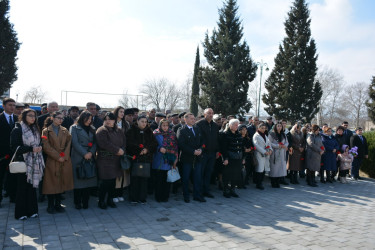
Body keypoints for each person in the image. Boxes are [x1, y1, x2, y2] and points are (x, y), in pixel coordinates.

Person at [10, 109, 44, 219]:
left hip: (35, 161)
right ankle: (20, 213)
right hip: (24, 161)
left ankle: (32, 210)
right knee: (22, 187)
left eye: (34, 116)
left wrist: (39, 147)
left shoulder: (35, 128)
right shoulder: (18, 129)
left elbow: (38, 142)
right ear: (24, 116)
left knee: (32, 187)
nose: (33, 118)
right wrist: (31, 149)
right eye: (30, 115)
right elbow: (15, 147)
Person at [42, 111, 74, 214]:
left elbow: (69, 143)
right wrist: (57, 156)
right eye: (58, 118)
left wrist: (64, 156)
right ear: (52, 118)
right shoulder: (46, 131)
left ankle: (58, 204)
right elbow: (46, 146)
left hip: (64, 159)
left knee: (61, 181)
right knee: (51, 183)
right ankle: (50, 205)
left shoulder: (65, 130)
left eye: (62, 118)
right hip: (52, 159)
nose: (60, 120)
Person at [96, 112, 125, 209]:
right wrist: (117, 150)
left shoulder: (119, 130)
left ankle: (110, 200)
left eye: (110, 119)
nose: (108, 121)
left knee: (113, 182)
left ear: (114, 120)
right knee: (105, 182)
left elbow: (124, 142)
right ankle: (101, 201)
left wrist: (122, 150)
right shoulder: (101, 130)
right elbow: (104, 144)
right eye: (106, 119)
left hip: (116, 160)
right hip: (105, 160)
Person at [126, 115, 157, 204]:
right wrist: (139, 150)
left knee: (144, 178)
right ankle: (133, 197)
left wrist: (147, 149)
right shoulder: (131, 131)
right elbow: (128, 143)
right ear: (137, 121)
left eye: (145, 122)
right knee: (135, 178)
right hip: (135, 158)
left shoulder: (149, 131)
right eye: (142, 121)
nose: (144, 123)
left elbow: (154, 144)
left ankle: (142, 197)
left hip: (146, 159)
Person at [69, 111, 97, 209]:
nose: (89, 121)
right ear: (82, 118)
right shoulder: (74, 127)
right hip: (78, 155)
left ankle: (86, 201)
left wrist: (91, 152)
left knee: (88, 179)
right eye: (87, 119)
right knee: (78, 180)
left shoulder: (93, 128)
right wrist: (84, 153)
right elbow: (75, 142)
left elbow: (95, 143)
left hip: (90, 155)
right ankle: (77, 202)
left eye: (91, 119)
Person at [177, 113, 205, 203]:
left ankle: (197, 195)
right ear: (186, 120)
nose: (194, 120)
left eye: (194, 118)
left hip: (198, 158)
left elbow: (202, 141)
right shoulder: (181, 130)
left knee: (197, 177)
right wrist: (193, 151)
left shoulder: (197, 129)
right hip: (187, 158)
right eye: (191, 119)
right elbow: (181, 144)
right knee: (185, 178)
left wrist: (201, 149)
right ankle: (186, 195)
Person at [196, 108, 219, 198]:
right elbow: (198, 139)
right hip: (203, 153)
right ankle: (199, 191)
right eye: (209, 113)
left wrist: (217, 151)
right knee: (201, 172)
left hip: (212, 153)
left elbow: (217, 139)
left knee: (209, 172)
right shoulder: (199, 124)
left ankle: (206, 190)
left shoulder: (215, 125)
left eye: (212, 113)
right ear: (204, 114)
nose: (211, 115)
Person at [152, 119, 178, 202]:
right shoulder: (155, 134)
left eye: (167, 125)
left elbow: (175, 147)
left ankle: (165, 196)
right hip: (159, 159)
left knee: (167, 180)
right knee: (159, 179)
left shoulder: (172, 134)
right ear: (160, 125)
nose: (165, 127)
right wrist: (159, 148)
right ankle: (158, 197)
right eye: (163, 125)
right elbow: (152, 145)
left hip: (169, 160)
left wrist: (175, 158)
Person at [0, 98, 18, 206]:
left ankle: (13, 196)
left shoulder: (17, 119)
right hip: (2, 153)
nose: (12, 107)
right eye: (10, 105)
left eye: (14, 105)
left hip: (14, 153)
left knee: (13, 176)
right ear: (4, 106)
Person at [221, 119, 244, 197]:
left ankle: (232, 189)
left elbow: (241, 147)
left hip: (238, 158)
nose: (237, 126)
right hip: (230, 158)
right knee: (227, 175)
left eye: (237, 125)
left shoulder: (239, 134)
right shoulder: (225, 134)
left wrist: (243, 158)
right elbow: (223, 148)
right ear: (230, 125)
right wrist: (225, 158)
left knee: (236, 174)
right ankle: (226, 190)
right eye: (235, 125)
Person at [112, 106, 130, 203]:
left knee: (122, 173)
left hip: (123, 151)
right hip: (113, 152)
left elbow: (128, 138)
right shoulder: (111, 122)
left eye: (123, 112)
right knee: (114, 174)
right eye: (120, 112)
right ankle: (113, 194)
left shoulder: (126, 124)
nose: (122, 114)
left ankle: (120, 193)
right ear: (116, 112)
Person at [268, 122, 289, 188]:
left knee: (280, 168)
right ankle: (273, 182)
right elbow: (269, 143)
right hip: (274, 153)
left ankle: (277, 182)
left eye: (280, 126)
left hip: (282, 153)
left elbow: (287, 142)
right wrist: (278, 145)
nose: (279, 127)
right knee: (274, 168)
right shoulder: (271, 134)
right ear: (275, 127)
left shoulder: (283, 134)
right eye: (278, 126)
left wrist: (284, 146)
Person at [253, 123, 273, 190]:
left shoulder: (265, 135)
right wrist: (264, 151)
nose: (263, 129)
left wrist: (270, 149)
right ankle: (258, 183)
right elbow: (256, 145)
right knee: (259, 169)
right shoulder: (256, 135)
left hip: (266, 154)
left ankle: (261, 182)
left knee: (263, 168)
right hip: (259, 154)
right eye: (262, 128)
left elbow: (269, 143)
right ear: (258, 128)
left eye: (264, 128)